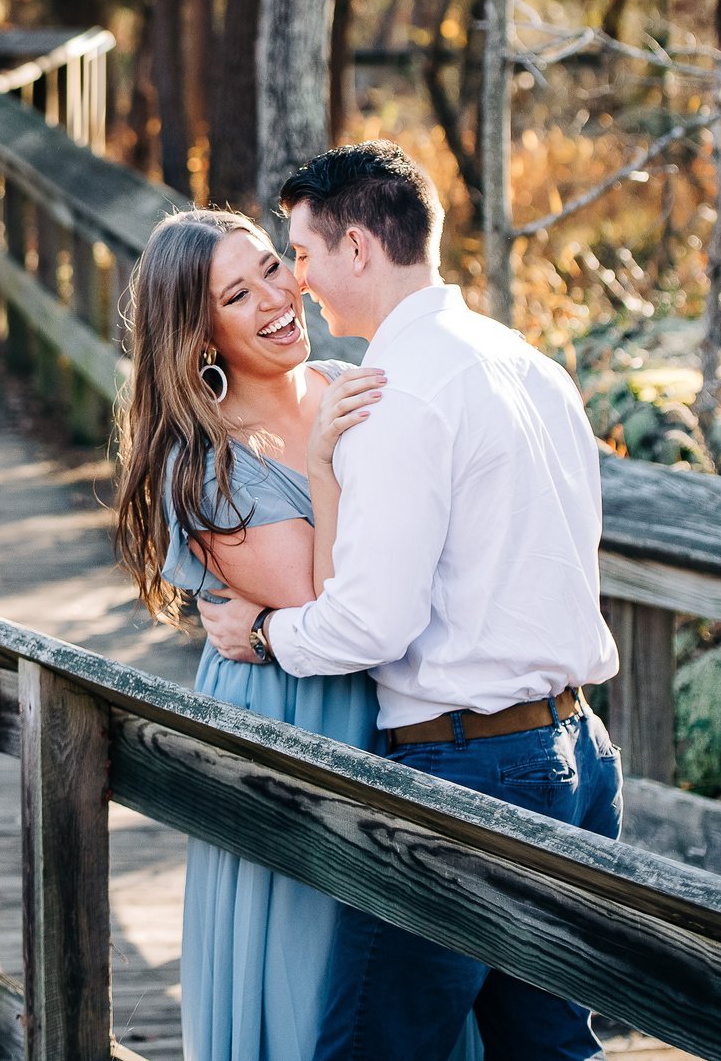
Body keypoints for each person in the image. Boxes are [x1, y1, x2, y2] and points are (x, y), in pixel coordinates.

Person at [199, 143, 624, 1061]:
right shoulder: (529, 365)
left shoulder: (400, 393)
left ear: (357, 247)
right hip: (580, 755)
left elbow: (368, 622)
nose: (299, 285)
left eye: (302, 256)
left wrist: (264, 632)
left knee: (371, 1049)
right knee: (546, 1050)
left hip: (467, 772)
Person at [112, 207, 475, 1061]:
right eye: (239, 293)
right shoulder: (206, 463)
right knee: (312, 967)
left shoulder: (354, 379)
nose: (280, 297)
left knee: (415, 973)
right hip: (290, 722)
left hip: (401, 708)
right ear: (201, 332)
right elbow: (330, 601)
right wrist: (318, 462)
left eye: (276, 266)